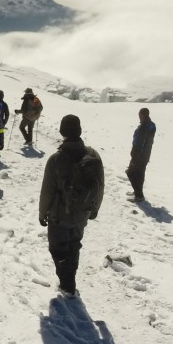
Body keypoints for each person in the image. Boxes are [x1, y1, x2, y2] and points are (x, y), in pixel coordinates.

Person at [38, 114, 105, 297]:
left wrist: (42, 213)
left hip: (59, 215)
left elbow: (47, 191)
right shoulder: (93, 156)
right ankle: (70, 279)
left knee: (57, 249)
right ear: (80, 130)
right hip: (81, 213)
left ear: (62, 132)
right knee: (74, 245)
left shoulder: (56, 160)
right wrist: (94, 209)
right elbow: (100, 185)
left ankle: (67, 284)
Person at [126, 107, 157, 202]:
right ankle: (137, 192)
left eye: (139, 114)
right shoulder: (151, 125)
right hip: (146, 154)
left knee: (130, 172)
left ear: (142, 115)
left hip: (139, 155)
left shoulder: (143, 127)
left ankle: (139, 195)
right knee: (140, 173)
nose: (138, 116)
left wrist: (134, 156)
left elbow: (138, 143)